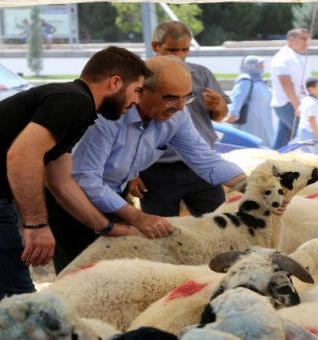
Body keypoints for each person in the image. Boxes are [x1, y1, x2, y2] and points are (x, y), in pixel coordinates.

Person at [0, 46, 152, 302]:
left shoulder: (73, 102)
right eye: (138, 90)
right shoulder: (74, 101)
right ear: (115, 82)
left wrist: (105, 226)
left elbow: (60, 181)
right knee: (20, 305)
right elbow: (22, 155)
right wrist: (37, 224)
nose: (138, 101)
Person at [47, 56, 246, 273]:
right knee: (78, 274)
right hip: (73, 200)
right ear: (141, 91)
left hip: (114, 194)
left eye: (186, 98)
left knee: (115, 273)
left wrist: (253, 185)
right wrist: (137, 217)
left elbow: (204, 158)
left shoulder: (178, 114)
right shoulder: (108, 116)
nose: (179, 107)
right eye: (170, 98)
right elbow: (85, 177)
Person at [132, 21, 231, 217]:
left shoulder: (201, 74)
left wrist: (218, 106)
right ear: (155, 47)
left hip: (201, 165)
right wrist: (130, 173)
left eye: (185, 49)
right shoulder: (138, 78)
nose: (179, 56)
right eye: (172, 50)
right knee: (161, 231)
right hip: (157, 170)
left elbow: (220, 116)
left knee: (218, 225)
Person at [270, 28, 312, 150]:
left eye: (308, 39)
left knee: (283, 139)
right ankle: (313, 163)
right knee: (306, 134)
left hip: (293, 103)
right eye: (303, 39)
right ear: (291, 39)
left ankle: (272, 160)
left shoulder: (295, 56)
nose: (307, 42)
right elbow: (285, 82)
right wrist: (297, 105)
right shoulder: (284, 57)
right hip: (288, 104)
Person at [223, 56, 274, 148]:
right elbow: (237, 98)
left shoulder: (260, 81)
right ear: (251, 65)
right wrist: (233, 113)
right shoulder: (245, 80)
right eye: (260, 64)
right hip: (251, 121)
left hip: (264, 120)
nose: (263, 66)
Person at [295, 78, 318, 157]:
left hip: (303, 130)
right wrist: (317, 134)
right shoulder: (313, 103)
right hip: (311, 132)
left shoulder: (306, 100)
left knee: (306, 155)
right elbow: (311, 119)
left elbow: (297, 113)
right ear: (311, 89)